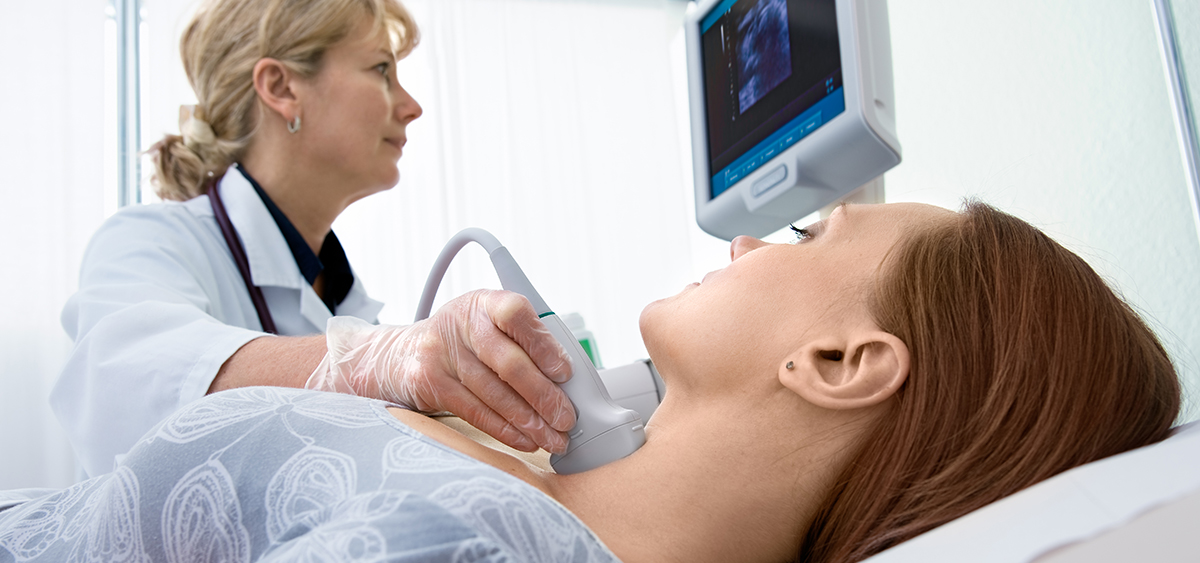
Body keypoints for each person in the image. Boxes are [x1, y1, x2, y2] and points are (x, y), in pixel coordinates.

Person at [11, 202, 1180, 562]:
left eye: (814, 232)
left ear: (838, 363)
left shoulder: (475, 538)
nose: (745, 244)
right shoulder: (538, 484)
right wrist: (398, 364)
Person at [51, 0, 576, 479]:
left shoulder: (341, 294)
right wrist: (381, 358)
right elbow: (130, 380)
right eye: (381, 71)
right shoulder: (150, 242)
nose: (411, 106)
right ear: (281, 89)